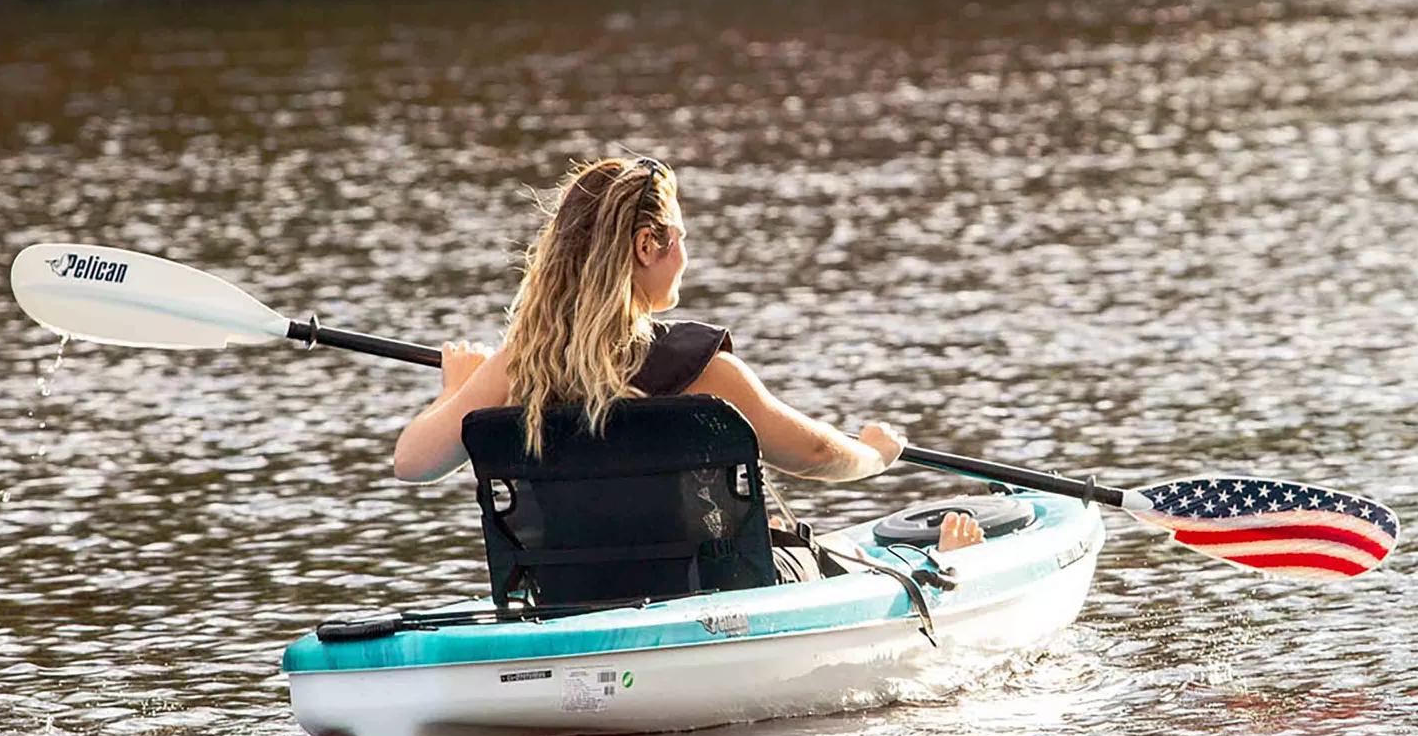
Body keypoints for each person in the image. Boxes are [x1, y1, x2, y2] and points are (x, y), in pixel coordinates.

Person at [392, 155, 984, 563]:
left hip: (570, 595)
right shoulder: (702, 370)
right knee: (844, 550)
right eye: (681, 237)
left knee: (785, 534)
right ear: (648, 245)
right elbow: (816, 455)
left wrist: (456, 392)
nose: (685, 255)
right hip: (707, 597)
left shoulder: (520, 367)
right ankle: (952, 564)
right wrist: (876, 454)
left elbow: (414, 463)